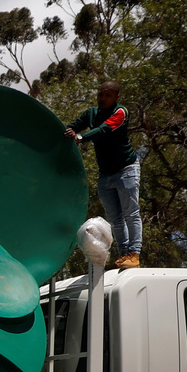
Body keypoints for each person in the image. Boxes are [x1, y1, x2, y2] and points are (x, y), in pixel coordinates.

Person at [64, 80, 142, 269]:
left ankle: (134, 253)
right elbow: (74, 126)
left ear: (116, 97)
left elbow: (104, 130)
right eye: (101, 94)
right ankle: (124, 255)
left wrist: (80, 137)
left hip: (126, 169)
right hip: (106, 174)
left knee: (131, 213)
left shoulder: (120, 112)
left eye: (108, 95)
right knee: (115, 219)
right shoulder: (91, 113)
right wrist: (69, 131)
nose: (103, 98)